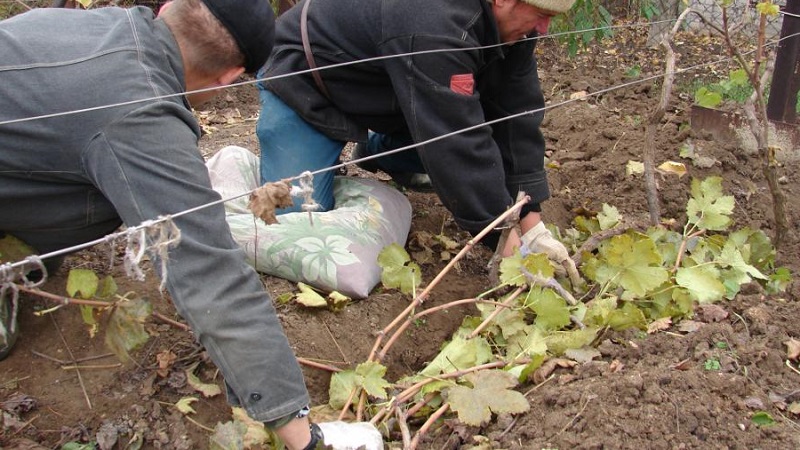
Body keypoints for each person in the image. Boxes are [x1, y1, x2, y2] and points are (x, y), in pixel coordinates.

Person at [0, 1, 381, 449]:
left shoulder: (75, 25)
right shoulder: (137, 114)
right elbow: (211, 275)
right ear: (229, 78)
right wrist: (305, 436)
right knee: (118, 195)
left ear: (166, 10)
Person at [256, 0, 582, 285]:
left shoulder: (517, 31)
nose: (544, 28)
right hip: (309, 84)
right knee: (294, 217)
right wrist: (508, 246)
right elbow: (455, 141)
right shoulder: (433, 20)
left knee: (467, 137)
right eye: (540, 14)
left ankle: (380, 148)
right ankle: (341, 143)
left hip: (393, 90)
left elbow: (514, 116)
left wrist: (532, 225)